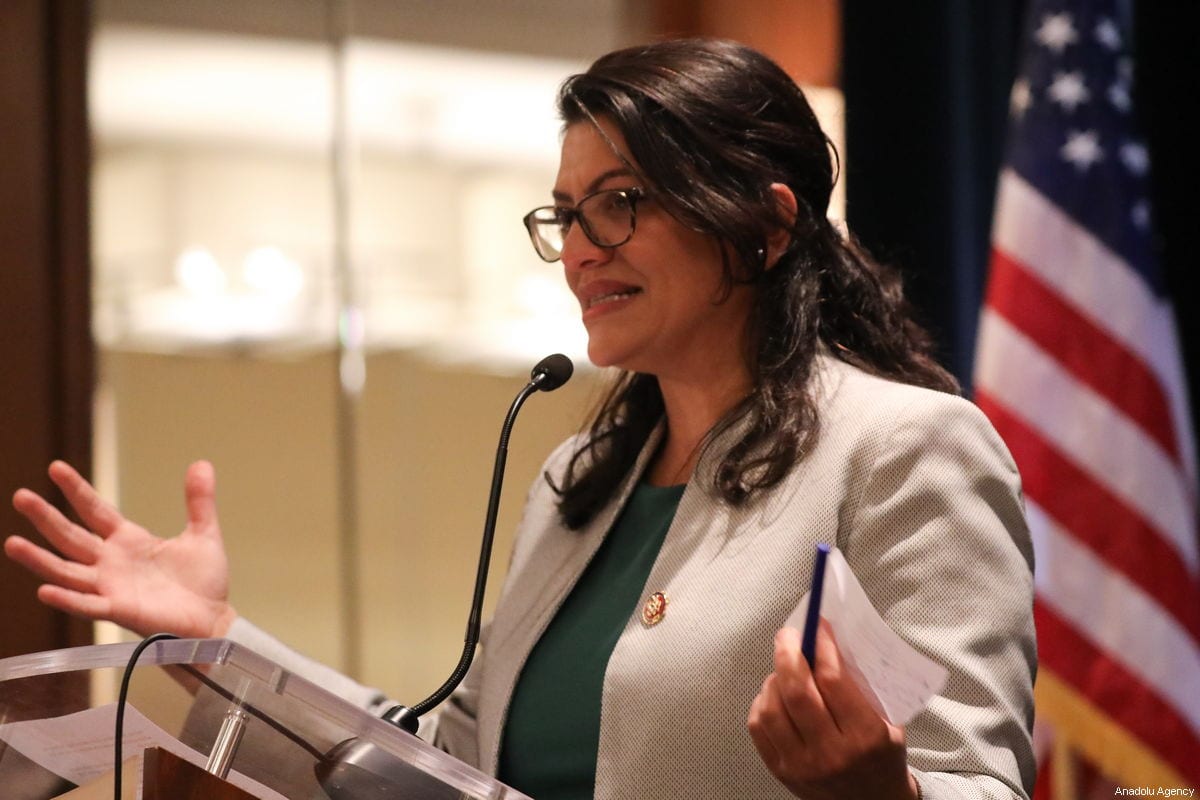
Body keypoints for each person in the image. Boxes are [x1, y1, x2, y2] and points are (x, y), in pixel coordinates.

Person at [6, 38, 1035, 800]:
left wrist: (878, 793)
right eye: (565, 211)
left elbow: (977, 781)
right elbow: (444, 761)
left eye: (621, 200)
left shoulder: (903, 449)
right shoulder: (579, 479)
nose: (580, 246)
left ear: (764, 227)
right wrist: (220, 641)